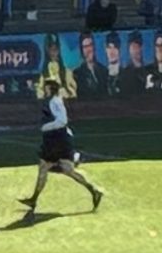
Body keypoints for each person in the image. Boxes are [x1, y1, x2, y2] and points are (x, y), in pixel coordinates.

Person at [19, 77, 103, 215]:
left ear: (50, 88)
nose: (43, 89)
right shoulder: (54, 100)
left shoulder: (55, 101)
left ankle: (94, 191)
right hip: (54, 140)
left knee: (62, 169)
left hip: (57, 141)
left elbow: (62, 121)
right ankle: (34, 199)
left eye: (45, 87)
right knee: (48, 168)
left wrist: (46, 127)